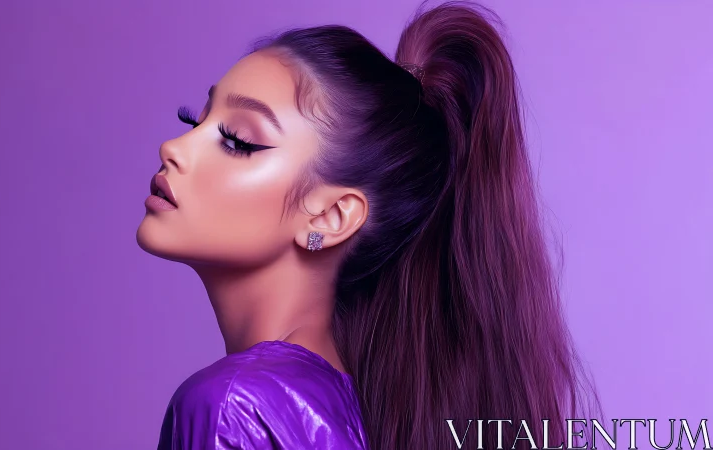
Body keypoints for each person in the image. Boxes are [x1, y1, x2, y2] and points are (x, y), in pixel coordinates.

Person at [136, 1, 601, 449]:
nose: (174, 147)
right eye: (193, 120)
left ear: (331, 217)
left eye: (237, 141)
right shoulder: (356, 408)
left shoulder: (232, 408)